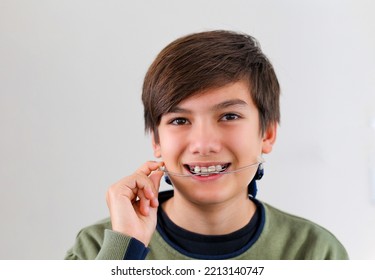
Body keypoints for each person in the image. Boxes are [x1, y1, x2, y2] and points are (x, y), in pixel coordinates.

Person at [65, 30, 348, 260]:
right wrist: (125, 249)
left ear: (268, 134)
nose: (203, 144)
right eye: (179, 120)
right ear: (156, 140)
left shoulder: (315, 253)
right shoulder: (97, 250)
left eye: (229, 116)